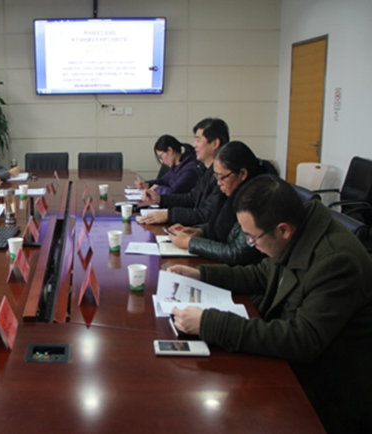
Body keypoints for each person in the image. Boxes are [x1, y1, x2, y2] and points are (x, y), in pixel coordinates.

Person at [169, 175, 372, 433]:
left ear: (283, 230)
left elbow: (302, 339)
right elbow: (261, 274)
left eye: (252, 238)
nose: (252, 245)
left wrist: (210, 322)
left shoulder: (336, 262)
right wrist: (202, 275)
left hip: (327, 393)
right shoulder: (297, 232)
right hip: (296, 368)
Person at [167, 141, 276, 265]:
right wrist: (200, 231)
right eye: (216, 177)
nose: (219, 183)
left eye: (222, 177)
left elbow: (237, 253)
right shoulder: (233, 192)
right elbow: (223, 226)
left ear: (242, 174)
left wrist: (190, 243)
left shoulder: (256, 200)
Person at [138, 118, 229, 226]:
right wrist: (160, 199)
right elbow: (191, 199)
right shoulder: (204, 170)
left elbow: (206, 215)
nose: (194, 145)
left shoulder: (223, 176)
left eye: (198, 140)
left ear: (215, 143)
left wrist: (169, 215)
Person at [135, 135, 199, 195]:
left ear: (170, 150)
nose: (162, 161)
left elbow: (173, 192)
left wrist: (156, 189)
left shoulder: (190, 169)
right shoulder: (176, 166)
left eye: (161, 157)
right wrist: (147, 184)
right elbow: (163, 181)